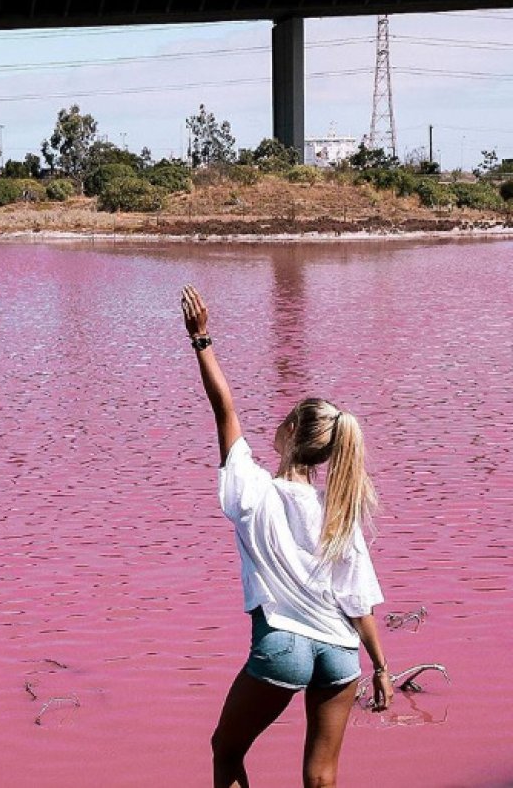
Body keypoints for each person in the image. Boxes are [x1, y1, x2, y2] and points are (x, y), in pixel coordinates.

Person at [180, 285, 394, 788]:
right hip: (341, 652)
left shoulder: (252, 489)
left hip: (284, 645)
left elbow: (224, 411)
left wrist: (202, 339)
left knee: (226, 751)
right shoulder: (337, 510)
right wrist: (382, 666)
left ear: (291, 427)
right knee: (321, 779)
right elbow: (358, 600)